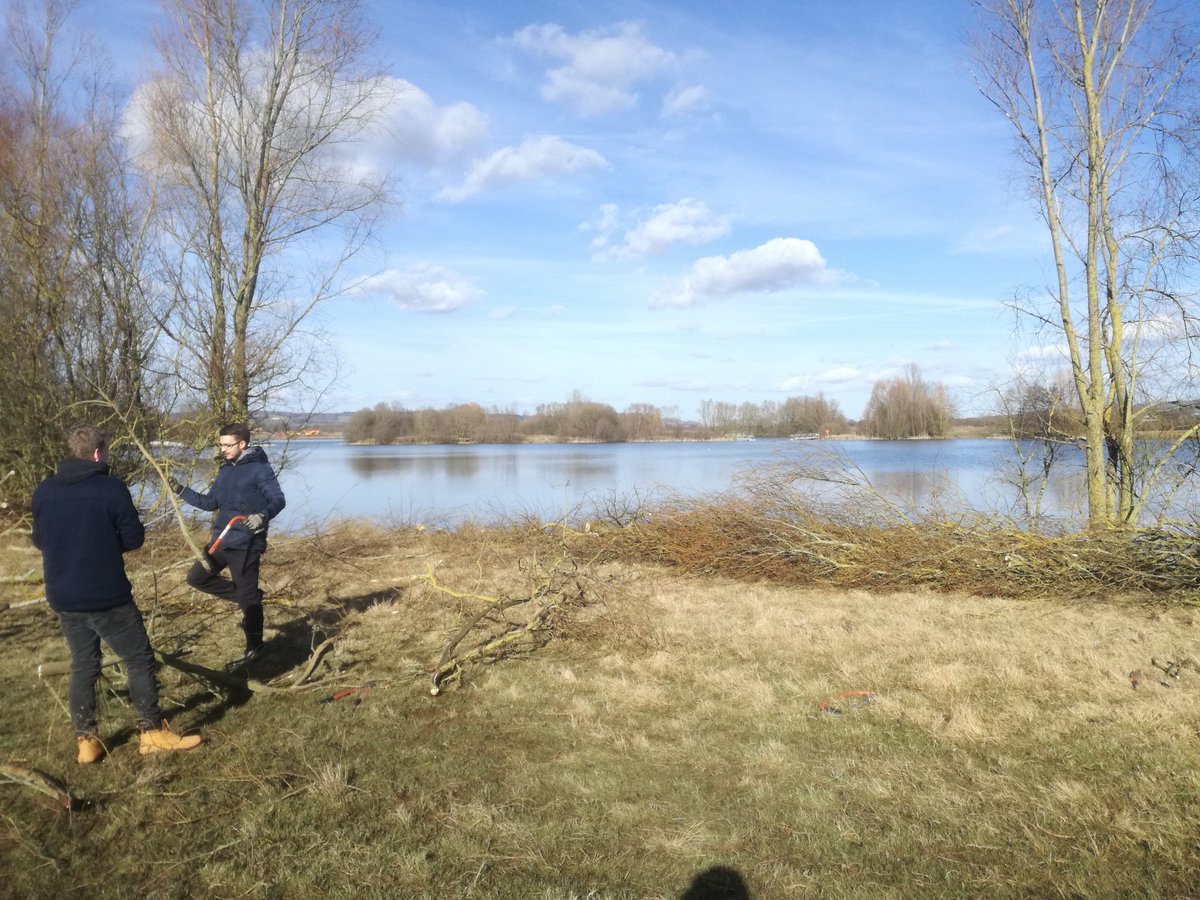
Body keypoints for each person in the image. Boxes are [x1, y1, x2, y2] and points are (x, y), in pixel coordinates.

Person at [32, 424, 203, 763]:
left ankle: (87, 741)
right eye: (106, 453)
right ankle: (152, 732)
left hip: (63, 595)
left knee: (84, 663)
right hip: (106, 595)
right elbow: (134, 538)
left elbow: (39, 539)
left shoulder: (44, 491)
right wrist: (103, 546)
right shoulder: (111, 489)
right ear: (98, 453)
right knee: (138, 659)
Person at [172, 422, 285, 670]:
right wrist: (181, 490)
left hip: (247, 543)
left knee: (248, 598)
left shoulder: (259, 469)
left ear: (242, 444)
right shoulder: (225, 470)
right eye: (220, 444)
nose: (222, 449)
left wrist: (262, 516)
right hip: (222, 539)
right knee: (196, 578)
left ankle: (255, 646)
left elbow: (278, 499)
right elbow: (211, 502)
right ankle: (249, 597)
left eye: (227, 445)